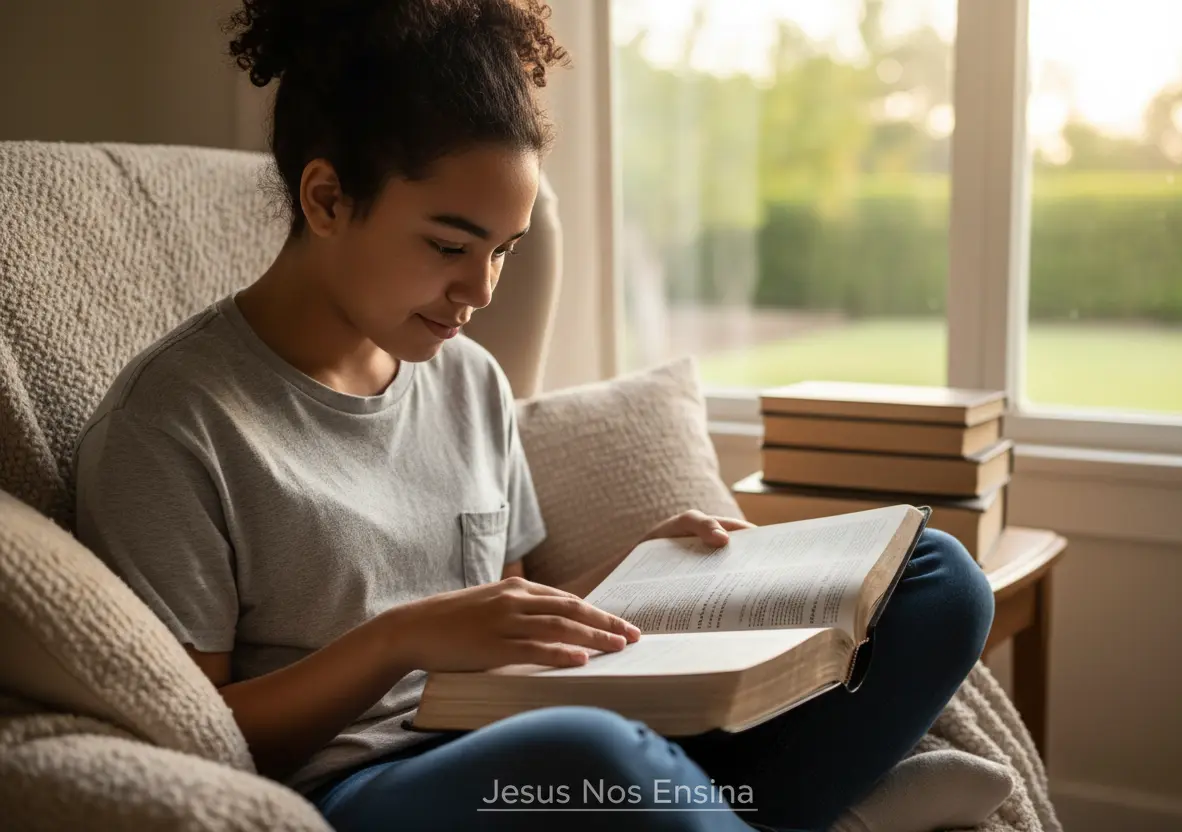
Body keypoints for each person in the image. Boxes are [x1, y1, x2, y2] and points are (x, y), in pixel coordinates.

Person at [71, 1, 995, 829]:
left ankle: (757, 813)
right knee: (599, 765)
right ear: (326, 198)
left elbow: (505, 619)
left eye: (504, 251)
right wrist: (400, 639)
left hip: (524, 725)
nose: (478, 291)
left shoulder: (467, 379)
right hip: (362, 782)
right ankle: (811, 811)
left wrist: (641, 578)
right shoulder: (172, 426)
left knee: (935, 578)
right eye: (448, 245)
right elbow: (194, 732)